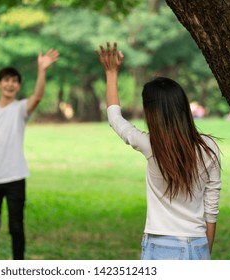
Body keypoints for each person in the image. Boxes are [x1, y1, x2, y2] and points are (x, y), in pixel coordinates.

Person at [95, 42, 221, 260]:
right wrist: (203, 254)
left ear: (152, 112)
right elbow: (211, 212)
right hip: (198, 245)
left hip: (160, 246)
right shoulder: (209, 148)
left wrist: (111, 73)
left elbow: (115, 118)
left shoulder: (151, 145)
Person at [0, 49, 59, 260]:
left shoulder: (20, 109)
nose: (10, 84)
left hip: (15, 178)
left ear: (18, 86)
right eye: (6, 80)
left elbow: (37, 96)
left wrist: (42, 71)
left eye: (14, 81)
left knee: (16, 227)